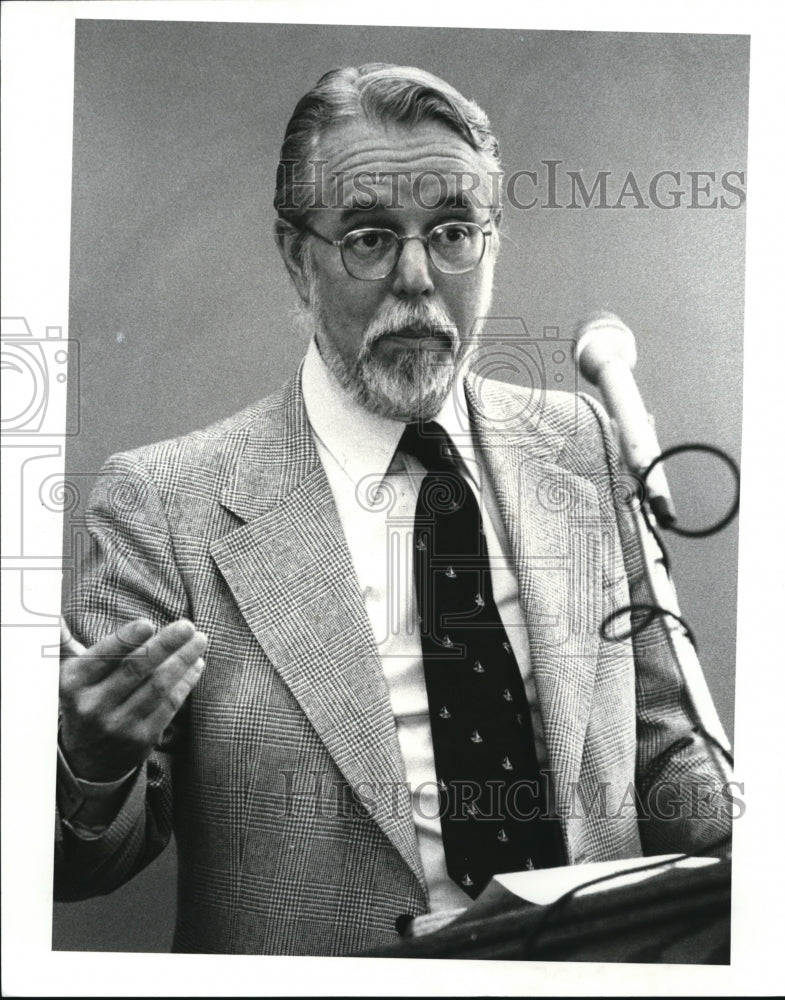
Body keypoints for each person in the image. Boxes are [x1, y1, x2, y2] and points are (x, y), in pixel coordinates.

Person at [55, 63, 732, 956]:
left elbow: (659, 746)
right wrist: (87, 762)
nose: (417, 277)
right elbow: (76, 870)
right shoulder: (163, 502)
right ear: (298, 260)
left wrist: (736, 838)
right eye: (370, 239)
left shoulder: (583, 443)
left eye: (453, 232)